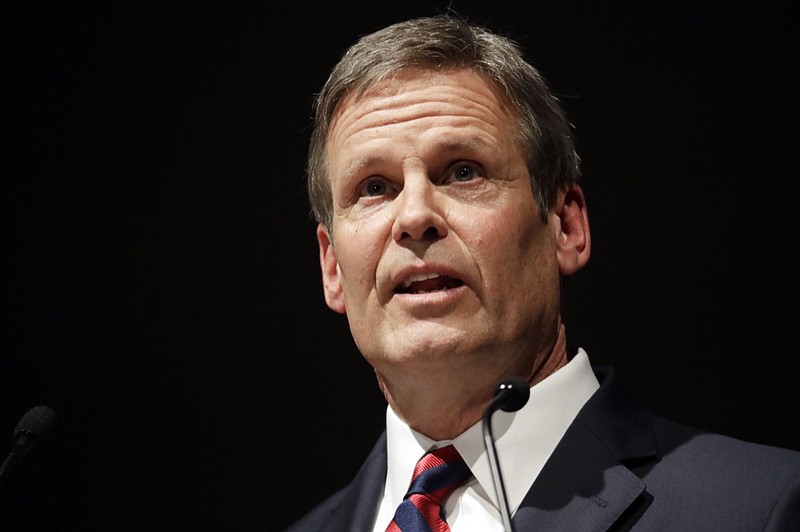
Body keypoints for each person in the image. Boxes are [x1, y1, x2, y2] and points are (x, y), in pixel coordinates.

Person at [286, 14, 800, 532]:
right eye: (374, 188)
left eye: (464, 172)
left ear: (566, 226)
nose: (415, 216)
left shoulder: (761, 507)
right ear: (332, 266)